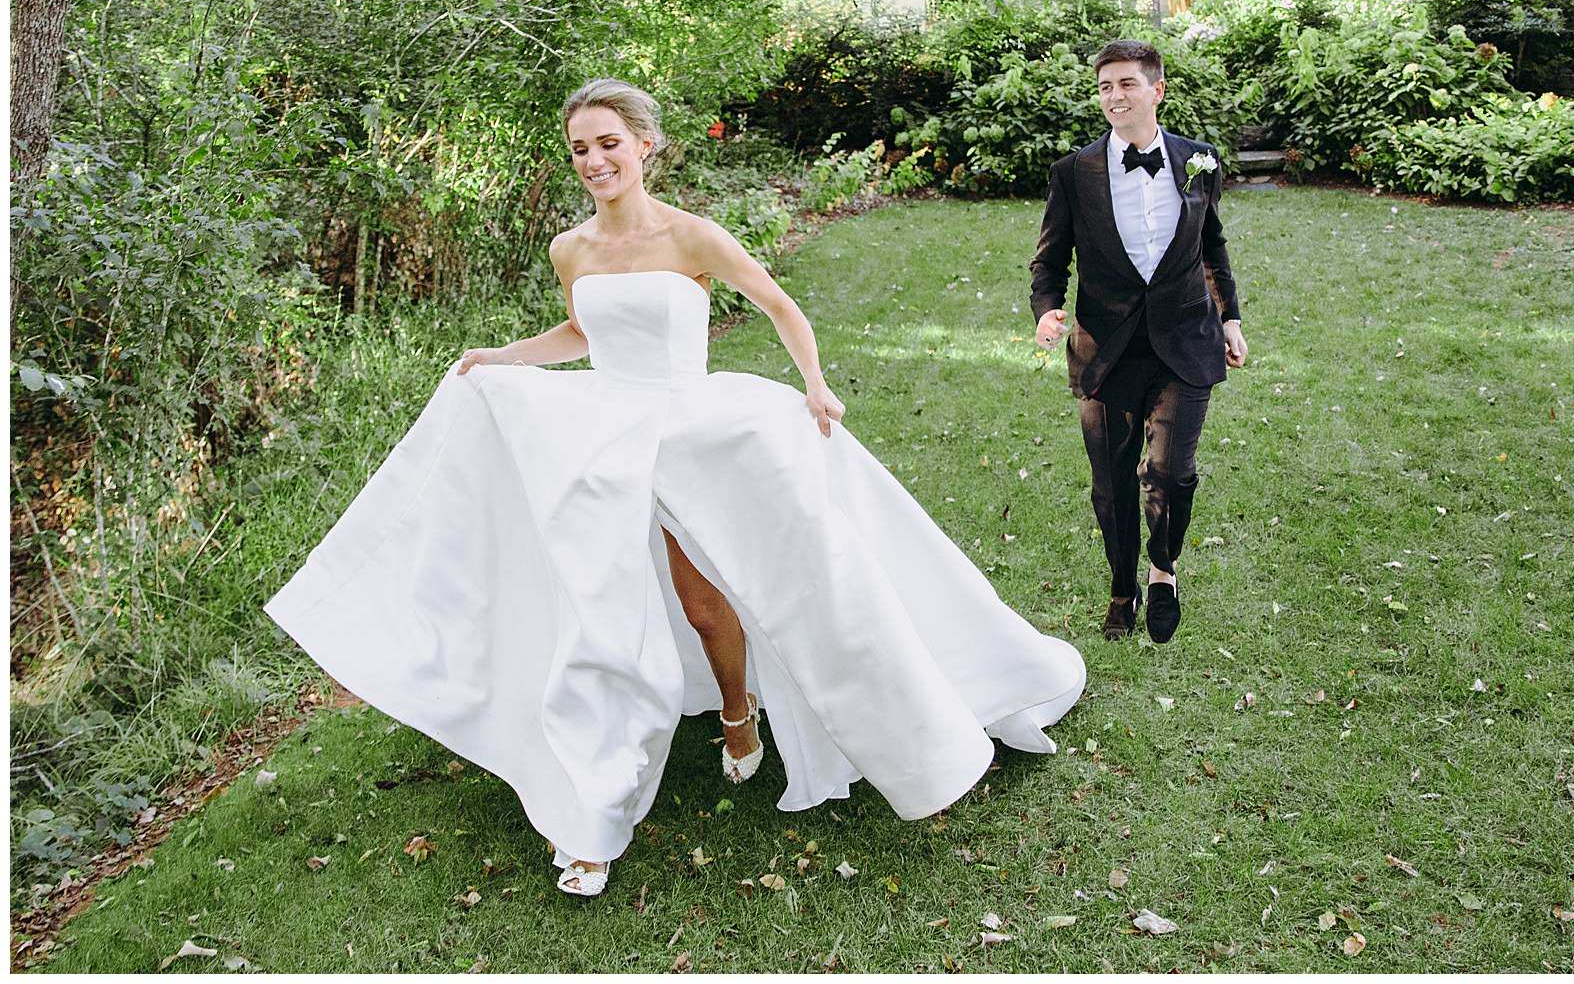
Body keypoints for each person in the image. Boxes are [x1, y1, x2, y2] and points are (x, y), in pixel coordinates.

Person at [267, 78, 1087, 899]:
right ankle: (592, 813)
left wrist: (815, 383)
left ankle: (741, 711)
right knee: (598, 613)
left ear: (644, 146)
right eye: (581, 148)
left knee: (707, 603)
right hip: (606, 436)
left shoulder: (692, 236)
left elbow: (777, 304)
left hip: (697, 430)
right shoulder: (571, 248)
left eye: (608, 144)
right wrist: (503, 357)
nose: (594, 161)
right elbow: (582, 334)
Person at [1029, 39, 1247, 644]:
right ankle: (1122, 586)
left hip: (1184, 339)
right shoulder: (1074, 174)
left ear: (1157, 90)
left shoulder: (1200, 160)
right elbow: (1048, 264)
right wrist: (1048, 311)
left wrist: (1229, 317)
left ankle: (1162, 569)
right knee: (1112, 482)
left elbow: (1212, 246)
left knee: (1172, 474)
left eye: (1126, 84)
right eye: (1105, 86)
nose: (1114, 96)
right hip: (1107, 349)